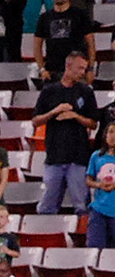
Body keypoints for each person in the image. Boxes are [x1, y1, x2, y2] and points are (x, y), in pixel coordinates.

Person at [34, 50, 98, 214]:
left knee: (82, 206)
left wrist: (75, 115)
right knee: (47, 207)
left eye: (85, 69)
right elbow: (35, 120)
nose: (83, 72)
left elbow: (93, 123)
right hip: (54, 156)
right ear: (68, 66)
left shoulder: (86, 92)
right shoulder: (49, 91)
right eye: (80, 68)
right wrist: (55, 111)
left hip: (78, 157)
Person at [32, 0, 93, 81]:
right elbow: (37, 45)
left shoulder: (80, 15)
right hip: (52, 70)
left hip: (76, 70)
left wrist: (90, 68)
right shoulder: (44, 18)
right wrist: (42, 69)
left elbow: (90, 43)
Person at [86, 120, 115, 248]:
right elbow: (88, 180)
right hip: (99, 210)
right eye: (111, 132)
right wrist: (99, 185)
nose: (113, 136)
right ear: (105, 135)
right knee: (95, 248)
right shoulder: (96, 156)